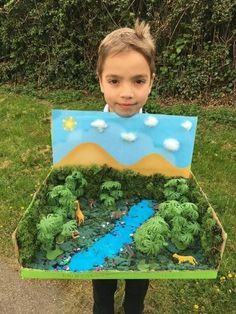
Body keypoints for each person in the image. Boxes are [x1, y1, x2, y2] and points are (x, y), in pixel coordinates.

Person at [92, 19, 156, 314]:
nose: (127, 93)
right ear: (101, 80)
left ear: (151, 81)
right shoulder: (89, 132)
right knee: (103, 294)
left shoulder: (161, 135)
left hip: (142, 222)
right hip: (102, 224)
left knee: (136, 294)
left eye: (138, 81)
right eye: (115, 81)